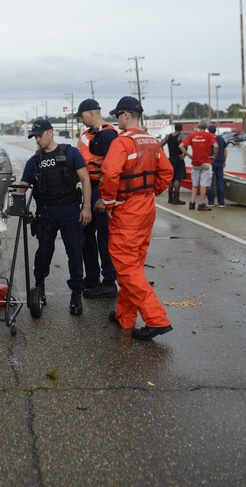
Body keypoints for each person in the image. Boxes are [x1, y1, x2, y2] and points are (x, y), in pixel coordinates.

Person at [99, 96, 175, 340]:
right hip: (146, 208)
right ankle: (125, 316)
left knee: (127, 268)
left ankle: (156, 319)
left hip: (127, 210)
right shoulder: (152, 141)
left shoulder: (122, 142)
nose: (117, 120)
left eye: (117, 116)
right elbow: (168, 172)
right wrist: (152, 191)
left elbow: (110, 173)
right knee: (134, 265)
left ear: (125, 115)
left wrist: (109, 202)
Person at [17, 119, 92, 316]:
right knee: (44, 252)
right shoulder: (34, 161)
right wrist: (3, 196)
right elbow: (22, 186)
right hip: (46, 211)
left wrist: (86, 208)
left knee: (75, 251)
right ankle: (39, 286)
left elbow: (85, 180)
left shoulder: (70, 153)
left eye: (40, 135)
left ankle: (76, 292)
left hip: (70, 209)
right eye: (35, 136)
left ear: (51, 132)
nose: (38, 139)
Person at [74, 99, 119, 299]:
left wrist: (106, 198)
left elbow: (113, 169)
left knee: (104, 237)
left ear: (91, 113)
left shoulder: (108, 135)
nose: (81, 120)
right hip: (88, 188)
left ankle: (109, 281)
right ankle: (92, 277)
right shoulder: (88, 134)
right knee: (86, 236)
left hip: (101, 190)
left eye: (82, 116)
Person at [179, 119, 218, 212]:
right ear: (206, 127)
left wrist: (188, 155)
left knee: (195, 184)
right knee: (204, 184)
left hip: (195, 163)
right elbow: (216, 146)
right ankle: (201, 204)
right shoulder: (209, 135)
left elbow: (181, 146)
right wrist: (214, 156)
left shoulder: (192, 135)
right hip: (206, 163)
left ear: (198, 126)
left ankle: (192, 203)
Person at [160, 123, 187, 205]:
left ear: (174, 128)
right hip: (179, 159)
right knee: (177, 179)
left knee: (171, 178)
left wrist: (164, 156)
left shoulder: (168, 136)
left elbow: (160, 145)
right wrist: (184, 155)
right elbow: (186, 144)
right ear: (181, 129)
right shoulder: (181, 136)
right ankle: (176, 198)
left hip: (170, 159)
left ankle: (170, 198)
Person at [206, 124, 227, 207]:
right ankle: (221, 202)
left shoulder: (208, 139)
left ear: (208, 131)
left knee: (210, 182)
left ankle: (211, 202)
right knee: (220, 182)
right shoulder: (221, 139)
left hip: (210, 162)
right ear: (215, 131)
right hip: (220, 162)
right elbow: (225, 151)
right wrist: (224, 160)